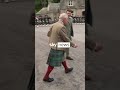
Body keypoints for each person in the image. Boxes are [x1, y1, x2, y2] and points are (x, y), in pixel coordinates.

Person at [43, 13, 78, 82]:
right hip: (58, 46)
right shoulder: (61, 27)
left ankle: (66, 68)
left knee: (63, 56)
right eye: (67, 19)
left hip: (54, 44)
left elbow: (48, 34)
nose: (68, 21)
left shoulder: (54, 24)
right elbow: (66, 38)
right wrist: (73, 44)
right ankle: (46, 77)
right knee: (52, 63)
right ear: (64, 19)